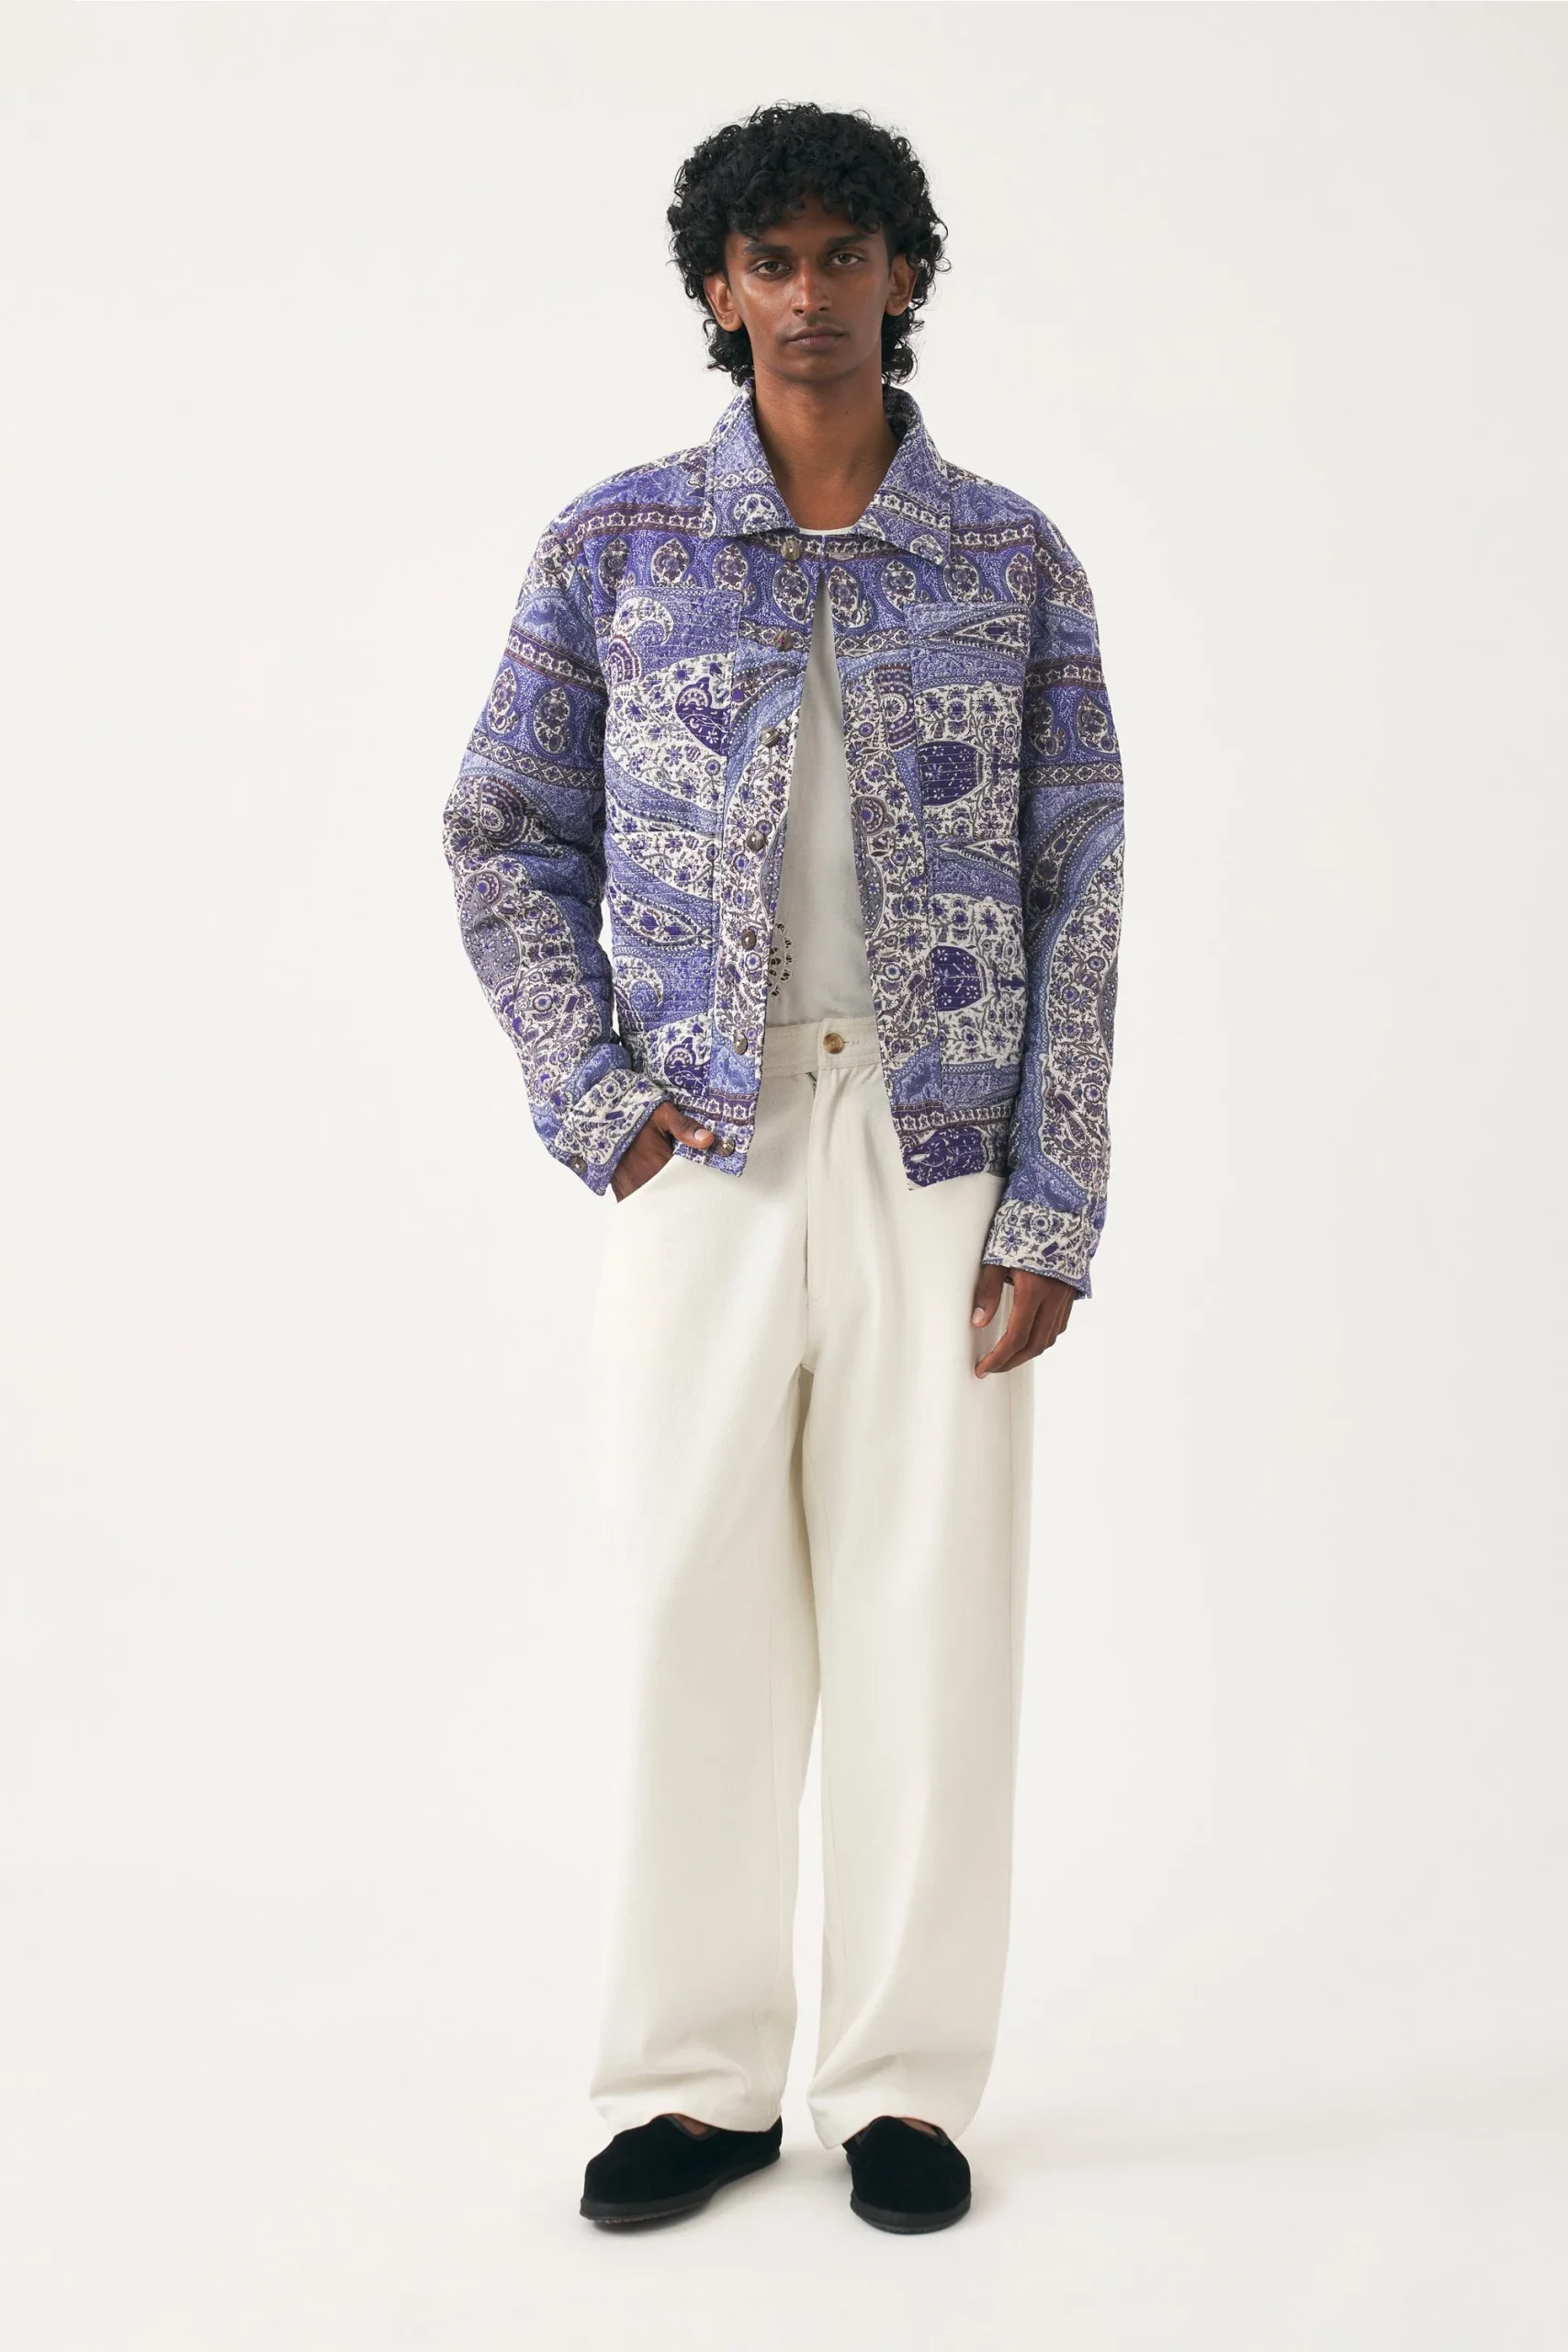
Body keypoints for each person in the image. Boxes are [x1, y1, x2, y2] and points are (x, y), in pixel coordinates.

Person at [442, 101, 1125, 2234]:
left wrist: (1051, 1201)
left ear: (903, 277)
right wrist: (601, 1100)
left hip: (937, 1144)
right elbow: (500, 830)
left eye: (845, 254)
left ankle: (902, 2084)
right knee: (690, 1600)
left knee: (934, 1607)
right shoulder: (617, 545)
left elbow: (1082, 882)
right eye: (770, 259)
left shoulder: (1007, 559)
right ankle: (695, 2080)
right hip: (705, 1146)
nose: (809, 293)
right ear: (715, 288)